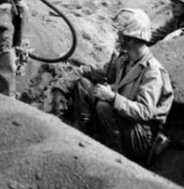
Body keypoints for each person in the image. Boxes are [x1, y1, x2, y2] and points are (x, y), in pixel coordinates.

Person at [72, 8, 174, 164]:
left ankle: (117, 159)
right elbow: (89, 71)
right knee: (84, 85)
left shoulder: (152, 72)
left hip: (140, 135)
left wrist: (113, 97)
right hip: (120, 123)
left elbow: (145, 112)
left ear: (129, 38)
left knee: (103, 106)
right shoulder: (124, 61)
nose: (118, 38)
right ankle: (83, 135)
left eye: (120, 34)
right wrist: (61, 86)